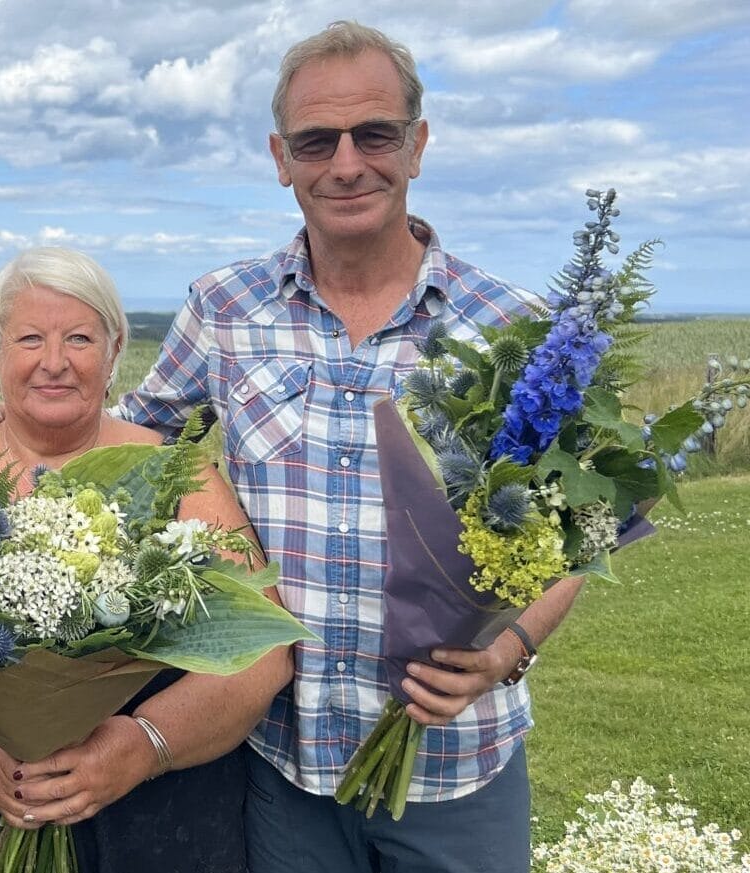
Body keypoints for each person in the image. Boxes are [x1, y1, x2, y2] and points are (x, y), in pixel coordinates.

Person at [116, 21, 552, 873]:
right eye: (318, 140)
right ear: (282, 158)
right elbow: (133, 445)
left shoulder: (506, 327)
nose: (347, 163)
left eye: (375, 134)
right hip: (288, 765)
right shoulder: (224, 309)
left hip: (458, 762)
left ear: (417, 144)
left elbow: (574, 530)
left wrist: (508, 650)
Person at [0, 247, 294, 872]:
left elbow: (263, 653)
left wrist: (143, 746)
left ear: (116, 349)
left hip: (157, 822)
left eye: (80, 338)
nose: (55, 362)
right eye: (30, 338)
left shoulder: (178, 476)